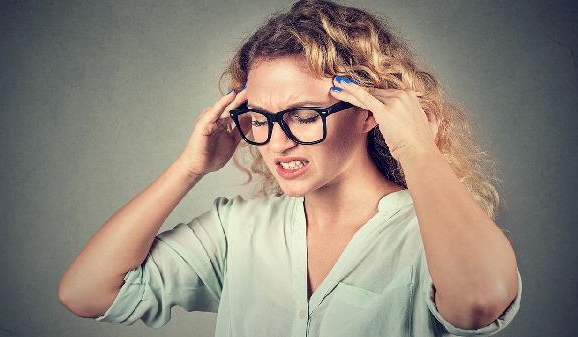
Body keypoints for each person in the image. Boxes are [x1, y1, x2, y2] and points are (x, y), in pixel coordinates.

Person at [58, 1, 522, 336]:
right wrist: (188, 168)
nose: (277, 141)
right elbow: (86, 293)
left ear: (366, 112)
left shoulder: (433, 234)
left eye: (303, 115)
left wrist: (417, 149)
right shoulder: (237, 229)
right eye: (260, 119)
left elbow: (479, 303)